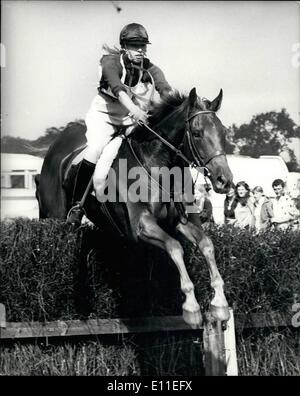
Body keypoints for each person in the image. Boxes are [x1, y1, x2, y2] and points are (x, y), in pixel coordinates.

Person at [67, 23, 173, 226]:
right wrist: (136, 111)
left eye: (143, 45)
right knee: (95, 150)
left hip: (130, 119)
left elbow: (165, 90)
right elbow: (119, 90)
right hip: (105, 116)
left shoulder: (150, 68)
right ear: (124, 46)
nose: (141, 50)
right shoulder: (110, 62)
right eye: (135, 46)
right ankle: (77, 205)